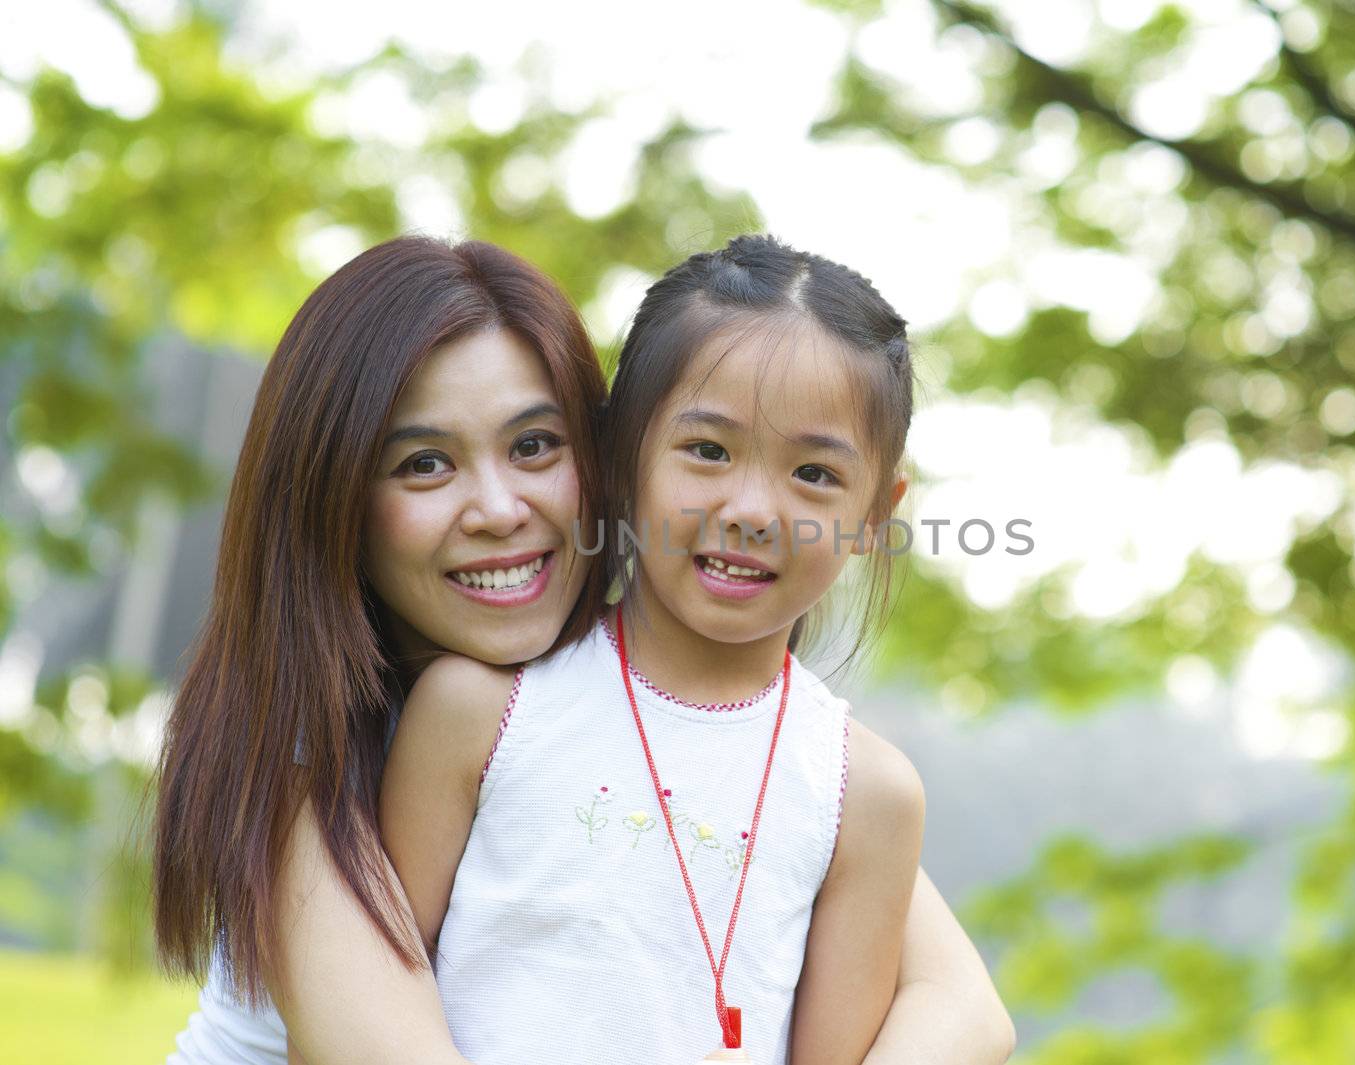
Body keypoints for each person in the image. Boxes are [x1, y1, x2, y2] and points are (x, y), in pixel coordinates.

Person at [153, 236, 1016, 1064]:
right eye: (423, 463)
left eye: (533, 445)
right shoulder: (328, 753)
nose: (498, 508)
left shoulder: (836, 777)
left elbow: (961, 1000)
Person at [380, 235, 926, 1065]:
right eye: (708, 450)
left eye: (814, 473)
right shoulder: (480, 711)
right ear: (621, 455)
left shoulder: (867, 794)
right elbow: (366, 1013)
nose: (752, 508)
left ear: (874, 515)